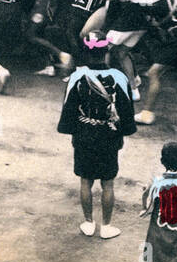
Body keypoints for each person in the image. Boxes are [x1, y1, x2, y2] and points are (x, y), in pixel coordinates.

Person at [57, 34, 137, 239]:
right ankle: (107, 226)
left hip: (84, 135)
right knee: (108, 182)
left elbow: (69, 109)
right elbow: (126, 110)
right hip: (109, 136)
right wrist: (124, 130)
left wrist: (72, 130)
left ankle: (88, 222)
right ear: (106, 51)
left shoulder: (76, 77)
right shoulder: (119, 77)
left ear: (85, 52)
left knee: (85, 180)